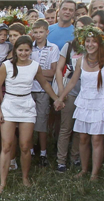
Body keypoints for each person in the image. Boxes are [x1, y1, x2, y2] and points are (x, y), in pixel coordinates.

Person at [0, 36, 60, 193]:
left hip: (27, 106)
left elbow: (44, 83)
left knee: (25, 145)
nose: (23, 53)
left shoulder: (35, 66)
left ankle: (25, 178)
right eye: (20, 50)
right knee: (7, 145)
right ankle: (2, 183)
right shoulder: (6, 66)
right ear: (15, 50)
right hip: (9, 105)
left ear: (31, 51)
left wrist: (56, 98)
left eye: (27, 50)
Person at [54, 24, 104, 180]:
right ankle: (83, 169)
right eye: (87, 41)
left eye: (94, 41)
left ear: (100, 43)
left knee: (96, 138)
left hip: (99, 103)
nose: (90, 44)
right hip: (84, 102)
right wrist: (60, 98)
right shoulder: (81, 60)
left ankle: (94, 174)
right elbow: (72, 82)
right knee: (82, 138)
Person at [54, 16, 93, 172]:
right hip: (70, 91)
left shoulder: (94, 47)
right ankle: (61, 160)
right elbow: (59, 68)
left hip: (87, 93)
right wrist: (61, 91)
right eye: (77, 27)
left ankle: (75, 157)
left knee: (80, 128)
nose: (79, 31)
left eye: (83, 27)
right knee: (66, 127)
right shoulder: (70, 46)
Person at [31, 19, 60, 165]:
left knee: (42, 122)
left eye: (41, 32)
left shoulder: (53, 48)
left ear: (47, 32)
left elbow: (54, 72)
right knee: (29, 122)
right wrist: (41, 73)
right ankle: (29, 150)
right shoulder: (29, 47)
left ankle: (43, 153)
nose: (38, 35)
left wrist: (35, 73)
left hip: (43, 90)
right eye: (35, 32)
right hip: (29, 90)